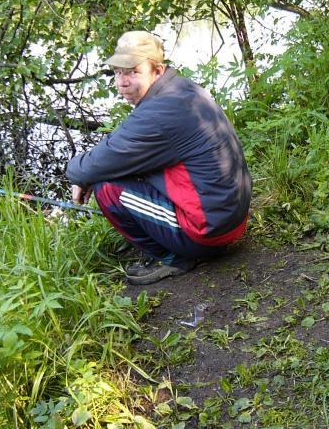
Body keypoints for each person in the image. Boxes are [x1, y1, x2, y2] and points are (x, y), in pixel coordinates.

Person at [66, 30, 252, 285]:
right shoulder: (183, 90)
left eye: (132, 72)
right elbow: (115, 152)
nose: (122, 82)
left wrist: (82, 176)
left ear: (157, 70)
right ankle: (181, 243)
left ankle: (175, 258)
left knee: (108, 188)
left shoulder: (156, 115)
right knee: (116, 169)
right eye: (117, 72)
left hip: (209, 232)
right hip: (231, 218)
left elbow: (87, 168)